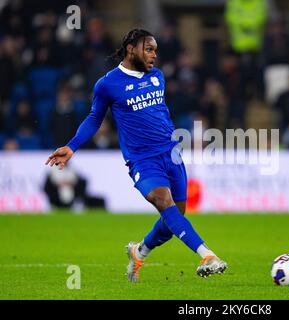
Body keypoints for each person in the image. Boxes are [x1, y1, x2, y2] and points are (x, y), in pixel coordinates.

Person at [44, 29, 227, 282]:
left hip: (172, 154)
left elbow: (159, 114)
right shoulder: (108, 84)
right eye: (148, 49)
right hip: (143, 160)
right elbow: (94, 118)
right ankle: (207, 255)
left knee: (175, 216)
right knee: (164, 203)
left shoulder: (157, 77)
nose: (154, 55)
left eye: (155, 51)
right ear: (131, 48)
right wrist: (72, 146)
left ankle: (139, 251)